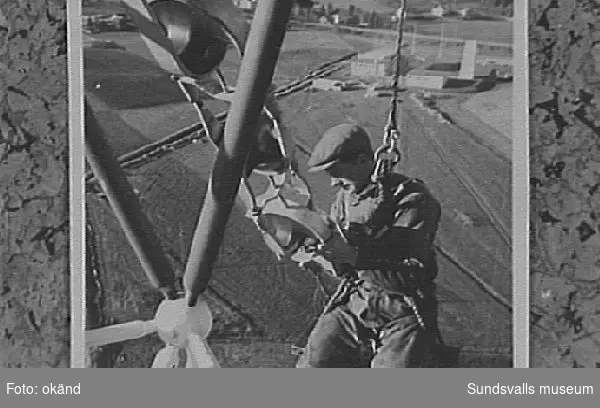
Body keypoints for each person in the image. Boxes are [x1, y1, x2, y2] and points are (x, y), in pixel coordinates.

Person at [294, 123, 443, 368]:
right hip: (358, 303)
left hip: (402, 310)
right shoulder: (345, 200)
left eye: (336, 173)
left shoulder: (413, 201)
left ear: (363, 161)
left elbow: (408, 277)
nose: (333, 184)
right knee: (312, 364)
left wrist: (353, 256)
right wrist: (325, 260)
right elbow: (348, 267)